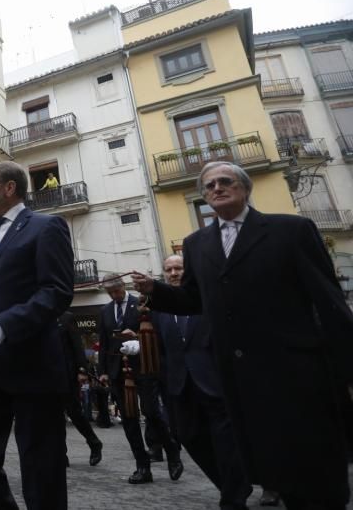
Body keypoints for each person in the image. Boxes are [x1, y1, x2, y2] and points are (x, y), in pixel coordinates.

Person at [133, 161, 353, 509]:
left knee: (314, 476)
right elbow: (193, 300)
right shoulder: (197, 243)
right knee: (270, 464)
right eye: (209, 186)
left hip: (296, 372)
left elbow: (328, 301)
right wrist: (155, 290)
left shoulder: (290, 230)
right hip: (238, 380)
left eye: (225, 181)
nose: (216, 188)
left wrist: (346, 369)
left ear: (245, 188)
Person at [0, 161, 74, 510]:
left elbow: (56, 291)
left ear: (10, 188)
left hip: (33, 364)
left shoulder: (45, 227)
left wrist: (6, 324)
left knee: (41, 466)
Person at [150, 254, 251, 509]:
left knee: (226, 441)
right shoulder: (158, 309)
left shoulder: (207, 300)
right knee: (189, 437)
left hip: (214, 382)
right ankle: (231, 485)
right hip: (180, 385)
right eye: (168, 269)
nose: (173, 273)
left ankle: (233, 497)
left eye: (178, 268)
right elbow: (162, 349)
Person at [97, 273, 182, 484]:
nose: (114, 296)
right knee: (129, 419)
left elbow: (153, 333)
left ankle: (171, 450)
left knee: (151, 411)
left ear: (122, 287)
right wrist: (103, 372)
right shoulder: (105, 311)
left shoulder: (142, 303)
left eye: (116, 291)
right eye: (109, 293)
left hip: (144, 366)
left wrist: (135, 336)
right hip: (119, 371)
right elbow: (104, 343)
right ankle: (142, 466)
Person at [58, 311, 102, 467]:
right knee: (55, 416)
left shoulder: (66, 317)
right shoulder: (40, 316)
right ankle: (61, 455)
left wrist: (82, 370)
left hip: (68, 374)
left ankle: (94, 442)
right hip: (50, 374)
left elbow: (77, 344)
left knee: (74, 412)